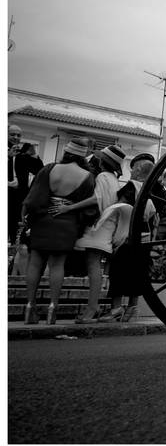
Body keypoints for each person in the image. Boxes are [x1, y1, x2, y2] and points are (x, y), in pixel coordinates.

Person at [20, 137, 96, 324]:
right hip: (66, 222)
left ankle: (30, 307)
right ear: (83, 156)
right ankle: (52, 309)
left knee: (35, 263)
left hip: (43, 219)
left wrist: (25, 216)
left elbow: (33, 196)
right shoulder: (87, 176)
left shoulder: (49, 168)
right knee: (57, 265)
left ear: (66, 152)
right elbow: (91, 207)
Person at [69, 144, 126, 323]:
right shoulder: (114, 179)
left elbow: (97, 199)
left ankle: (91, 309)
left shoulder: (102, 176)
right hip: (108, 224)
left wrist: (70, 207)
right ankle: (93, 307)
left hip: (99, 224)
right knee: (96, 266)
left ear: (101, 161)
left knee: (93, 265)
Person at [101, 152, 157, 322]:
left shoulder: (130, 187)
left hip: (127, 234)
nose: (131, 172)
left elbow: (120, 205)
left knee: (118, 271)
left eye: (133, 169)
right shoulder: (150, 190)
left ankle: (116, 308)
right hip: (145, 236)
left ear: (138, 171)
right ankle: (133, 307)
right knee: (139, 272)